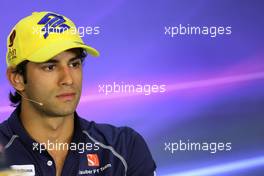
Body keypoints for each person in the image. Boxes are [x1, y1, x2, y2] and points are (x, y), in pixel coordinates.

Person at [0, 11, 156, 176]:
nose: (68, 79)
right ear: (17, 78)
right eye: (50, 67)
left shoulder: (123, 148)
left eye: (74, 64)